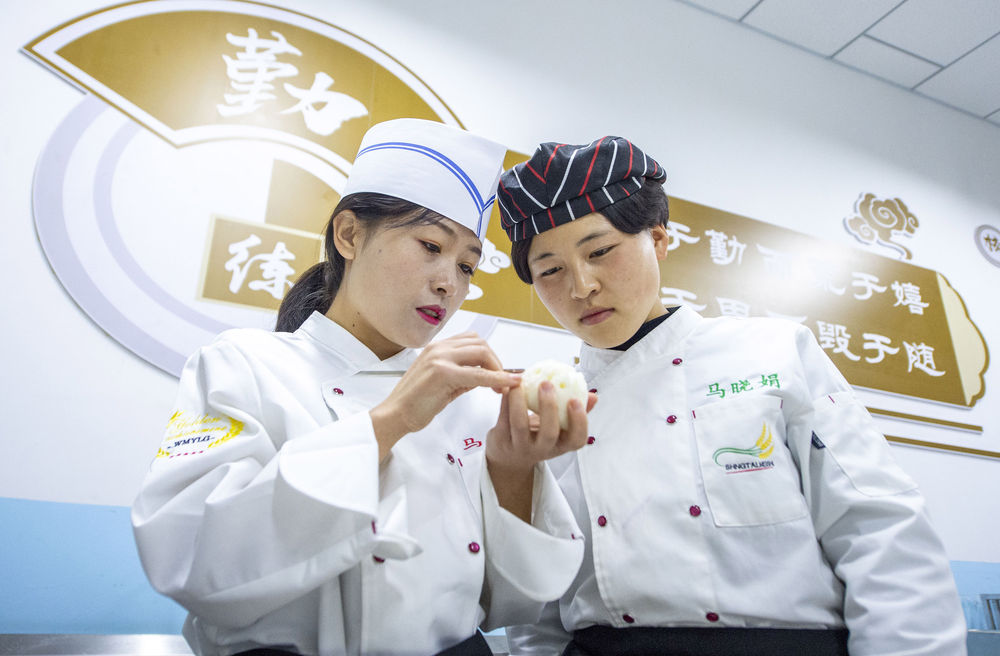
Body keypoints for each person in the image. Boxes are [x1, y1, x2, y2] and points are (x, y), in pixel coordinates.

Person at [131, 119, 593, 656]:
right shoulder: (244, 365)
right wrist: (393, 420)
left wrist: (513, 468)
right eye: (430, 245)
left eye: (468, 266)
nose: (449, 282)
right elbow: (191, 561)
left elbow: (514, 604)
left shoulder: (470, 404)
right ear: (349, 234)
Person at [496, 136, 967, 656]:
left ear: (658, 239)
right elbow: (538, 603)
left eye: (600, 251)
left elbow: (879, 530)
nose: (581, 286)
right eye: (550, 270)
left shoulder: (774, 353)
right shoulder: (548, 408)